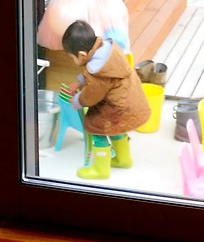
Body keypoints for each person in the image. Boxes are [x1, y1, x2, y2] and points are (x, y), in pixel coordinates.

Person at [62, 20, 150, 180]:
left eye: (72, 57)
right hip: (129, 100)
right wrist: (79, 82)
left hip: (118, 107)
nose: (73, 60)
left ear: (82, 55)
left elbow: (92, 94)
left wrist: (78, 101)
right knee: (115, 128)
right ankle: (123, 159)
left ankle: (100, 170)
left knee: (97, 128)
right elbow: (95, 73)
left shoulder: (97, 72)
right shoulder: (106, 51)